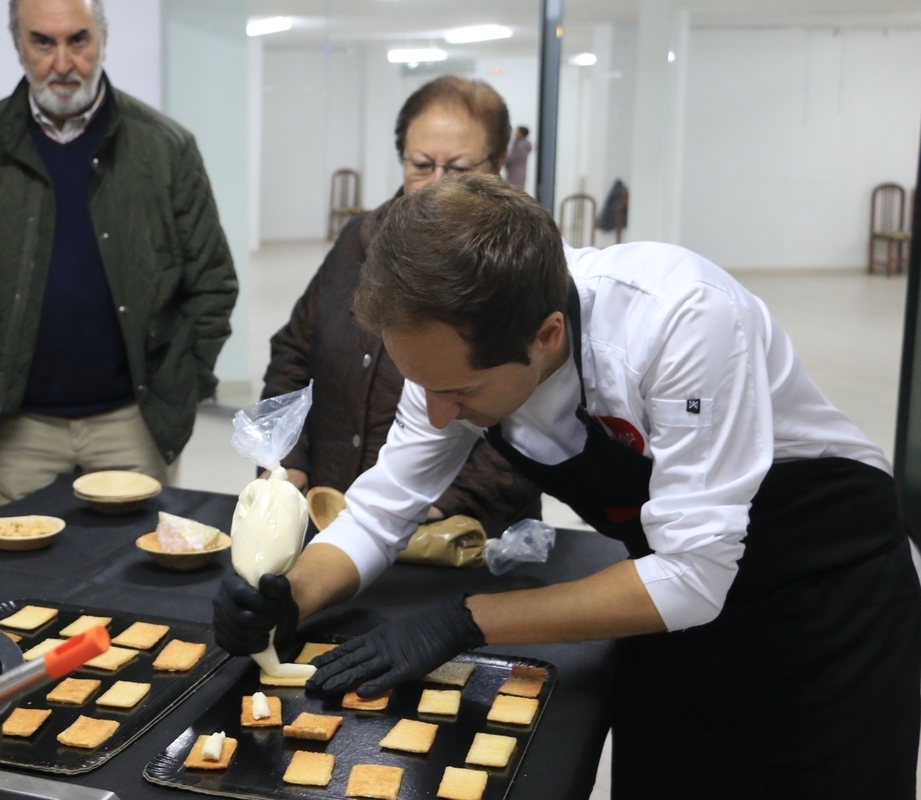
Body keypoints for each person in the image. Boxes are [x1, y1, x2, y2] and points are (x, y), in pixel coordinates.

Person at [214, 175, 921, 798]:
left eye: (459, 390)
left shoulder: (681, 319)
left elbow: (693, 578)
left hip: (824, 603)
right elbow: (377, 513)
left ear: (548, 333)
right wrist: (290, 598)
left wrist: (467, 620)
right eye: (422, 386)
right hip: (665, 605)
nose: (436, 413)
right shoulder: (447, 362)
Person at [0, 0, 237, 513]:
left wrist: (182, 381)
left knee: (130, 576)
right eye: (43, 42)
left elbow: (212, 281)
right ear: (19, 45)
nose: (62, 62)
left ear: (102, 38)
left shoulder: (165, 148)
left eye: (77, 40)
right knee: (16, 584)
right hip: (16, 428)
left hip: (133, 424)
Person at [262, 75, 540, 522]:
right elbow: (294, 352)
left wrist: (442, 506)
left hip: (455, 532)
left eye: (460, 169)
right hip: (338, 512)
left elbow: (541, 418)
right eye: (421, 165)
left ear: (500, 161)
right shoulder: (359, 240)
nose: (437, 185)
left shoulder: (525, 262)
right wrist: (287, 460)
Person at [503, 126, 531, 191]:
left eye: (517, 132)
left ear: (521, 133)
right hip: (520, 172)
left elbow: (512, 158)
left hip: (515, 173)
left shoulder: (520, 146)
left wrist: (501, 159)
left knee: (514, 190)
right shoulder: (523, 145)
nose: (515, 134)